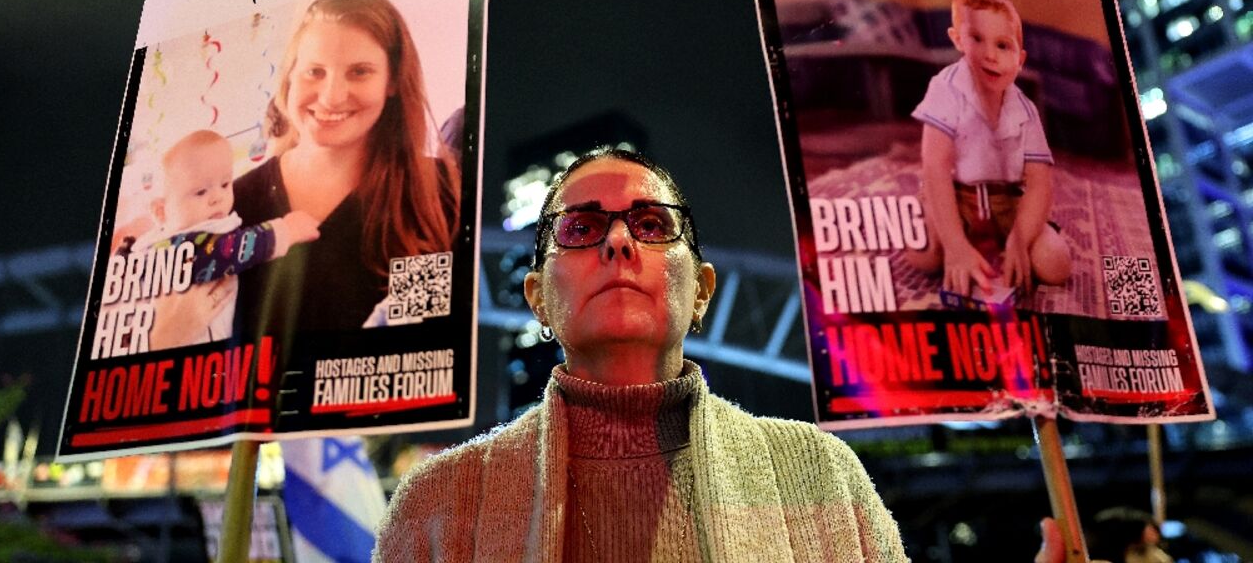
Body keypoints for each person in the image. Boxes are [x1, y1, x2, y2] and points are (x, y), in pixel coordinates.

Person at [374, 147, 908, 562]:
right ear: (538, 299)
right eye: (580, 229)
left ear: (701, 289)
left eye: (651, 224)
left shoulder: (820, 474)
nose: (619, 243)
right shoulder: (438, 504)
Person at [155, 0, 459, 341]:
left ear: (391, 81)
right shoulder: (226, 208)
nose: (331, 96)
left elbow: (426, 341)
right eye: (315, 71)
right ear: (290, 76)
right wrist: (165, 337)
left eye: (359, 72)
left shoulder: (436, 193)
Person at [906, 0, 1072, 300]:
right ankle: (941, 226)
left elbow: (1039, 184)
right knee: (923, 254)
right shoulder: (946, 88)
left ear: (1019, 59)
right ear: (957, 39)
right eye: (977, 39)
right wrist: (955, 246)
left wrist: (1020, 241)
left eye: (1002, 45)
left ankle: (1006, 242)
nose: (989, 55)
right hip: (956, 196)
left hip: (1006, 201)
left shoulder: (1024, 109)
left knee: (1056, 265)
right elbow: (936, 167)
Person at [130, 129, 319, 350]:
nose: (217, 198)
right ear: (162, 211)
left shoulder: (215, 220)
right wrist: (283, 231)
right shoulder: (172, 244)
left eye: (225, 184)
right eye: (200, 192)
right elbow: (222, 252)